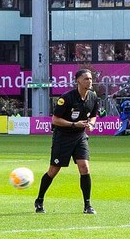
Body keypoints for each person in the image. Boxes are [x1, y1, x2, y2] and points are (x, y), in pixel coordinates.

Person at [36, 69, 100, 214]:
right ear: (78, 81)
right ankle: (39, 200)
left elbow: (94, 115)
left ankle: (87, 205)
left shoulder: (93, 97)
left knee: (84, 167)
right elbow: (55, 119)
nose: (89, 81)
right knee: (53, 170)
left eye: (90, 78)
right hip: (63, 137)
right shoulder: (66, 98)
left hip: (80, 136)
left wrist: (91, 124)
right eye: (86, 79)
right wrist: (73, 124)